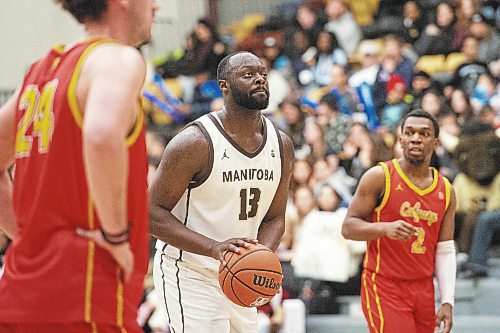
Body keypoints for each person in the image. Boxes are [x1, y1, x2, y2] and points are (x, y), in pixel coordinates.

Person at [0, 0, 159, 332]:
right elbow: (101, 136)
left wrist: (28, 236)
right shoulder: (118, 59)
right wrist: (116, 237)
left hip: (20, 299)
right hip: (86, 298)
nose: (157, 6)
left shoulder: (40, 72)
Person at [149, 51, 294, 333]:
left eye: (263, 74)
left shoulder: (281, 144)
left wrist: (260, 256)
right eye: (248, 75)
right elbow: (151, 214)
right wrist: (215, 249)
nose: (259, 80)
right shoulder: (194, 143)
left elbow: (275, 218)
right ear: (224, 86)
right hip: (190, 271)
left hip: (239, 273)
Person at [342, 110, 457, 333]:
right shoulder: (379, 177)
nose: (416, 138)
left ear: (435, 142)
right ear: (401, 138)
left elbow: (445, 249)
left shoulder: (446, 190)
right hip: (384, 285)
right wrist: (384, 228)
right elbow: (348, 227)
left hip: (424, 288)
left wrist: (447, 300)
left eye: (424, 134)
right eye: (410, 133)